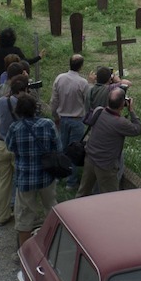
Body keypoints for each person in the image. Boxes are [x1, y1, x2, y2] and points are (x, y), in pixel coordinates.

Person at [5, 93, 58, 248]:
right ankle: (52, 246)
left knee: (24, 217)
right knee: (51, 209)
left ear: (18, 110)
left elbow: (9, 147)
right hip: (47, 176)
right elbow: (58, 147)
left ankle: (24, 252)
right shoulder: (48, 125)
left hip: (25, 178)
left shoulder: (15, 128)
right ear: (36, 108)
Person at [76, 87, 141, 197]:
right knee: (111, 199)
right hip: (106, 165)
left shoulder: (99, 111)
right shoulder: (120, 123)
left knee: (83, 192)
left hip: (90, 158)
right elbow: (138, 129)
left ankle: (74, 210)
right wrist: (131, 111)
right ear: (122, 105)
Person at [50, 54, 91, 189]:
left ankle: (58, 176)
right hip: (77, 119)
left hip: (62, 118)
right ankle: (71, 182)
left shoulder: (60, 78)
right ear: (81, 66)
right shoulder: (82, 83)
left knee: (61, 148)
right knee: (75, 151)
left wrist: (55, 115)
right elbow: (87, 101)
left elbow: (54, 100)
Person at [0, 75, 28, 226]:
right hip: (18, 146)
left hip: (1, 145)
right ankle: (21, 215)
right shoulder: (23, 104)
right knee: (20, 182)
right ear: (24, 90)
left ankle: (2, 215)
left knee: (2, 183)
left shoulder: (1, 102)